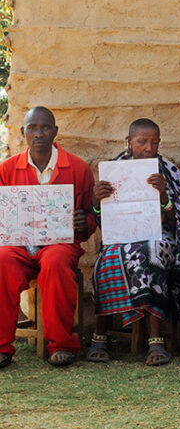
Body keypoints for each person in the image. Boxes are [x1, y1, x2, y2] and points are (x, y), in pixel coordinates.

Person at [87, 119, 180, 365]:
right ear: (129, 141)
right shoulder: (114, 170)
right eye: (142, 141)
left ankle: (155, 342)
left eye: (154, 142)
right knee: (107, 259)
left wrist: (165, 196)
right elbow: (102, 219)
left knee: (148, 253)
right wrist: (96, 200)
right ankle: (99, 338)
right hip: (121, 237)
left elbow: (179, 219)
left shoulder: (168, 171)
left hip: (160, 238)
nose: (149, 147)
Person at [0, 107, 96, 367]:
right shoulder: (7, 170)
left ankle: (61, 344)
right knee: (2, 260)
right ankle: (2, 346)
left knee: (55, 261)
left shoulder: (77, 168)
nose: (39, 133)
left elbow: (91, 216)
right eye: (33, 127)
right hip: (20, 245)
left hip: (59, 243)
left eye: (45, 128)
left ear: (55, 132)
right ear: (23, 132)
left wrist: (82, 222)